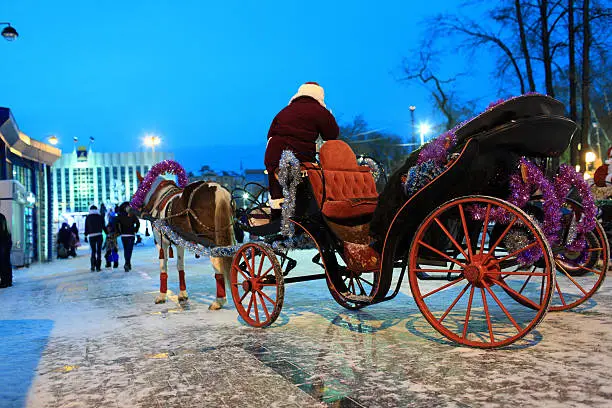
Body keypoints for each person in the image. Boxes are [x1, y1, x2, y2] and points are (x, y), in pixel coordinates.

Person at [264, 82, 339, 220]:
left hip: (274, 153)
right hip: (298, 155)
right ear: (320, 96)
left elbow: (270, 134)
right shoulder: (319, 111)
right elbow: (332, 134)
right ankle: (303, 219)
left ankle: (277, 220)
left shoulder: (284, 111)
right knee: (303, 186)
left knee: (278, 190)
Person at [116, 202, 140, 272]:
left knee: (126, 250)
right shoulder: (132, 215)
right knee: (129, 250)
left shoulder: (120, 215)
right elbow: (138, 223)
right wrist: (135, 230)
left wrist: (119, 232)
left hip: (124, 235)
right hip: (131, 235)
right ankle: (127, 263)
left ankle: (127, 263)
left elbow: (116, 224)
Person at [85, 205, 106, 271]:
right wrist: (107, 233)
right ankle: (98, 267)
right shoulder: (100, 217)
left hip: (91, 236)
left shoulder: (88, 217)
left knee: (93, 251)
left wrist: (86, 235)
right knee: (99, 251)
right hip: (99, 235)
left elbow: (86, 227)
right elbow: (103, 226)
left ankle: (92, 266)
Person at [0, 213, 12, 288]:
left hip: (2, 242)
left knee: (2, 263)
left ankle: (4, 282)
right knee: (6, 262)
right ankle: (8, 281)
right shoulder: (2, 216)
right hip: (6, 241)